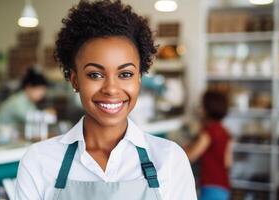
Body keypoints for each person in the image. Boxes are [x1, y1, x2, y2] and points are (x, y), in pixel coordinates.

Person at [15, 1, 197, 200]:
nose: (111, 89)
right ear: (75, 80)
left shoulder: (169, 159)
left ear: (139, 79)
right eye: (95, 75)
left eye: (125, 74)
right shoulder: (39, 161)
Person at [184, 90, 232, 200]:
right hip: (223, 186)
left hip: (210, 186)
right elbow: (228, 162)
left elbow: (191, 156)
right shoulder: (225, 131)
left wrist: (178, 149)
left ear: (206, 109)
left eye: (202, 105)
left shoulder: (208, 132)